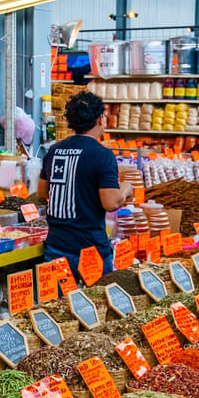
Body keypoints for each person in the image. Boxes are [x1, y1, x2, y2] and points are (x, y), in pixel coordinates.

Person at [38, 91, 133, 278]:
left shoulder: (54, 150)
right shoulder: (102, 155)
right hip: (90, 251)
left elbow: (43, 192)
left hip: (56, 248)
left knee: (56, 306)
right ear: (100, 119)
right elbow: (110, 203)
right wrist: (126, 188)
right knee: (95, 304)